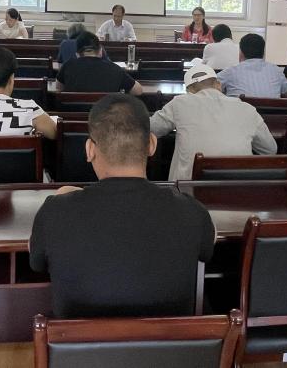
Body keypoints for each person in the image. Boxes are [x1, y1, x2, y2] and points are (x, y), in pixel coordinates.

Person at [29, 94, 215, 318]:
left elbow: (37, 263)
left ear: (90, 149)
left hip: (79, 342)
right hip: (170, 342)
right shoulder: (192, 212)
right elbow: (207, 247)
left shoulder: (55, 212)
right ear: (152, 145)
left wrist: (63, 198)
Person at [150, 64, 277, 181]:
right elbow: (270, 149)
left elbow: (150, 128)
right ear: (219, 85)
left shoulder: (180, 103)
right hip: (238, 191)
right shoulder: (248, 109)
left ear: (189, 91)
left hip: (188, 192)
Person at [56, 32, 142, 95]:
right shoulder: (114, 68)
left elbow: (58, 89)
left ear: (77, 54)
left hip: (71, 114)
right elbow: (138, 91)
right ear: (101, 51)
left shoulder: (67, 66)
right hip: (104, 114)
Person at [217, 33, 287, 98]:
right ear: (263, 53)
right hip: (272, 109)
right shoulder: (276, 71)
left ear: (241, 53)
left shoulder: (231, 71)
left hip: (240, 108)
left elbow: (211, 87)